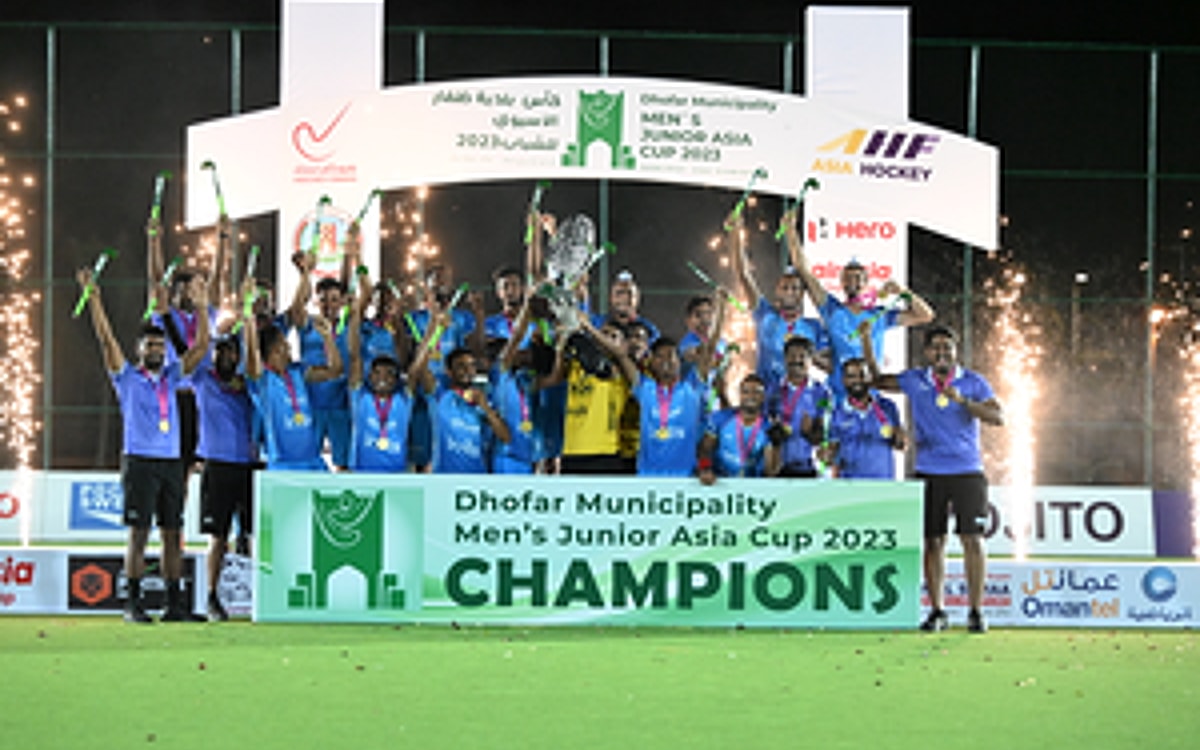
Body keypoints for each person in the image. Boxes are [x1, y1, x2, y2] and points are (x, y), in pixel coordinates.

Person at [78, 267, 210, 623]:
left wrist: (202, 306)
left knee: (172, 533)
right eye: (150, 346)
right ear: (139, 350)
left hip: (171, 462)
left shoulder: (172, 376)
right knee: (139, 533)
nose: (156, 350)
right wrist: (95, 300)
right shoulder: (127, 377)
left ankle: (174, 605)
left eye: (160, 346)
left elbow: (201, 348)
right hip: (139, 461)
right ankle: (132, 604)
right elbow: (107, 340)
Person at [862, 321, 1004, 634]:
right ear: (926, 352)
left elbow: (998, 417)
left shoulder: (973, 382)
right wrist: (867, 343)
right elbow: (877, 381)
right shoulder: (915, 380)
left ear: (955, 352)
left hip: (968, 471)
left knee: (972, 539)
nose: (942, 353)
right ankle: (937, 610)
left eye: (947, 348)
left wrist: (964, 402)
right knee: (933, 541)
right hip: (929, 470)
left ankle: (976, 611)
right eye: (936, 347)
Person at [783, 207, 934, 396]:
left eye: (857, 277)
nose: (852, 282)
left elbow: (925, 315)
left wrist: (903, 292)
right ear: (841, 282)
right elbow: (804, 271)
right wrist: (790, 232)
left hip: (870, 394)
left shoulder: (879, 315)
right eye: (847, 278)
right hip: (838, 393)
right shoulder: (831, 309)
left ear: (866, 282)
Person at [186, 330, 255, 622]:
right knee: (218, 536)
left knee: (252, 535)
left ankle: (256, 596)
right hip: (216, 465)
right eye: (221, 352)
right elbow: (191, 350)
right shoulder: (203, 379)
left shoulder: (247, 383)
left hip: (249, 465)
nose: (226, 357)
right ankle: (212, 596)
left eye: (232, 352)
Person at [594, 319, 718, 478]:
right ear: (651, 362)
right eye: (659, 356)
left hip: (684, 476)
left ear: (679, 362)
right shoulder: (644, 387)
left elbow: (711, 347)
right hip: (647, 476)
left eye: (671, 355)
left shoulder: (692, 387)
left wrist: (721, 311)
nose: (666, 360)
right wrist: (589, 327)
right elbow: (620, 355)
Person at [728, 209, 829, 386]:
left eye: (795, 288)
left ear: (803, 293)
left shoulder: (814, 327)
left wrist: (807, 355)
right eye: (785, 287)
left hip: (798, 398)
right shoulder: (765, 314)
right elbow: (743, 275)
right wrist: (735, 232)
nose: (790, 291)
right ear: (777, 290)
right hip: (766, 396)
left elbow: (829, 366)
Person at [345, 287, 435, 472]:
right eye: (377, 373)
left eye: (389, 374)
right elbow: (354, 356)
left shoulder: (404, 399)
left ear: (397, 379)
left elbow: (418, 364)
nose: (383, 378)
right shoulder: (360, 397)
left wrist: (434, 324)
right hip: (362, 473)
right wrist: (355, 314)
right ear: (369, 377)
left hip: (397, 474)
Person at [244, 305, 343, 471]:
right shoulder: (263, 380)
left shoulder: (298, 371)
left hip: (312, 461)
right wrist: (249, 322)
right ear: (272, 352)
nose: (288, 348)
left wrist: (327, 338)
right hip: (282, 464)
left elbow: (335, 371)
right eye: (283, 345)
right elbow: (252, 360)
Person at [820, 357, 906, 479]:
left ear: (869, 378)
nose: (857, 380)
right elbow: (832, 452)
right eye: (851, 376)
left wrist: (900, 439)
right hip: (850, 483)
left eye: (862, 375)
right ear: (844, 380)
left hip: (883, 482)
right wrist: (826, 456)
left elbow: (902, 446)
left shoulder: (887, 407)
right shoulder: (836, 413)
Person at [766, 336, 831, 478]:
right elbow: (764, 424)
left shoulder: (821, 392)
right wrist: (774, 431)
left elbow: (824, 435)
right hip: (778, 467)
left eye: (802, 356)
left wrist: (810, 433)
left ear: (811, 360)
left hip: (810, 468)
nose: (796, 360)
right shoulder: (772, 389)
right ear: (784, 359)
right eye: (792, 355)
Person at [698, 374, 781, 483]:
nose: (751, 396)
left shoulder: (767, 427)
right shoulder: (721, 418)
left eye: (756, 392)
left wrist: (777, 446)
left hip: (750, 486)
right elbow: (704, 449)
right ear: (740, 395)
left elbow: (770, 472)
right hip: (720, 483)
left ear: (763, 397)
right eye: (746, 392)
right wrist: (705, 469)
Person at [589, 269, 661, 343]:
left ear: (637, 298)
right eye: (619, 293)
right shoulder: (596, 323)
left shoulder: (651, 331)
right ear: (610, 298)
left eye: (629, 293)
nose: (624, 298)